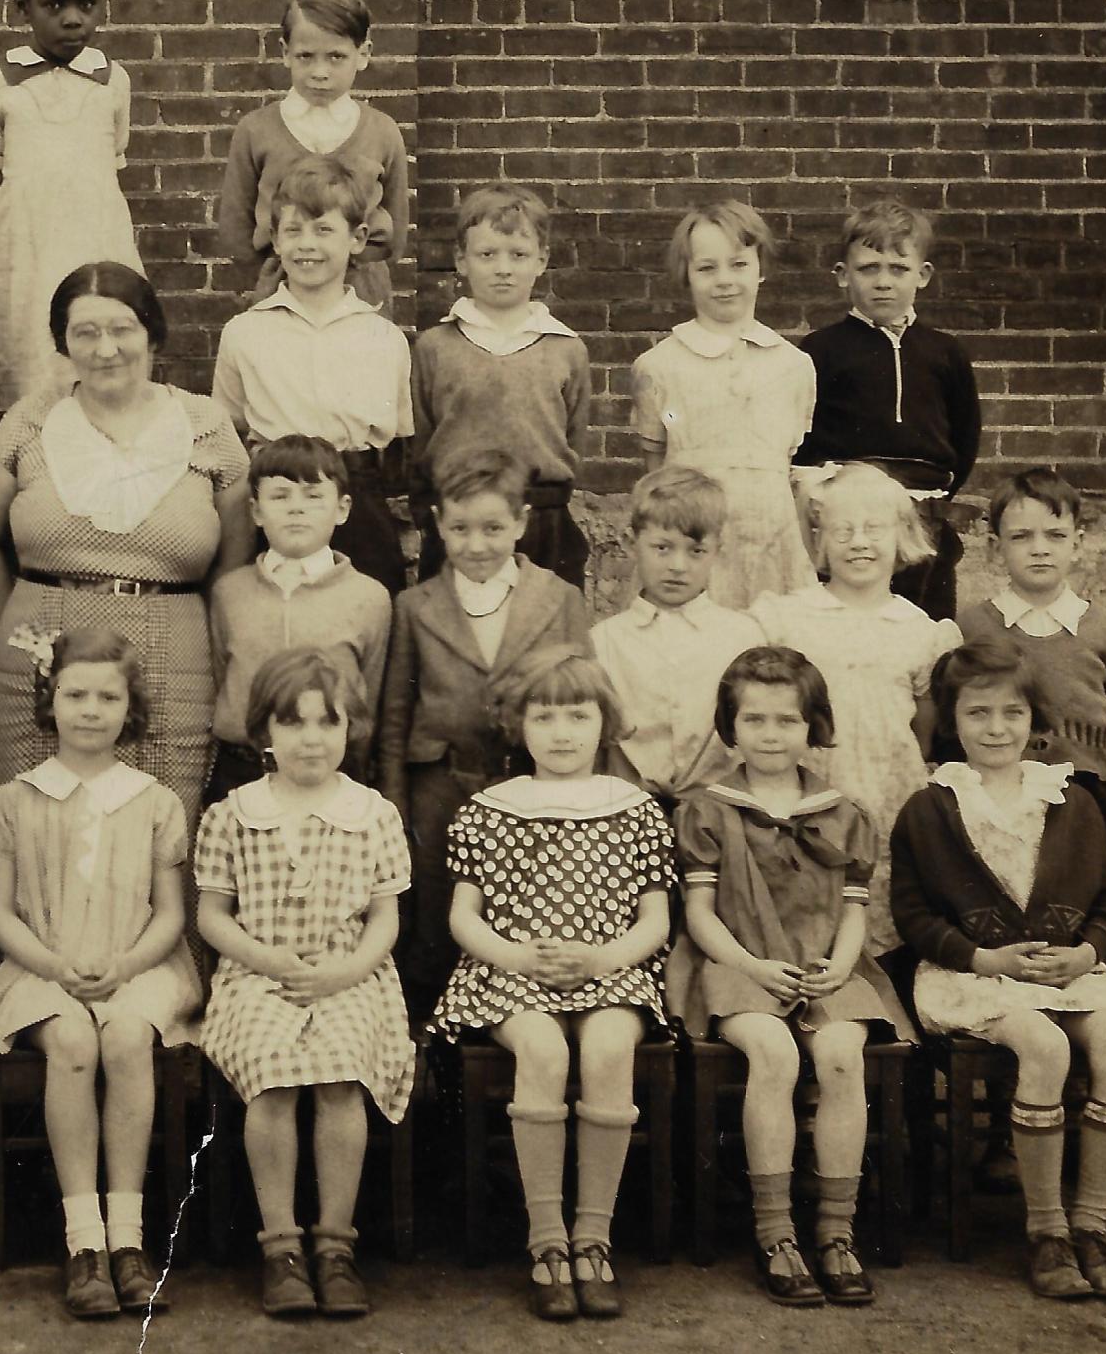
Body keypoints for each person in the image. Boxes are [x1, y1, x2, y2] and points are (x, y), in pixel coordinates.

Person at [0, 262, 253, 976]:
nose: (105, 348)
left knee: (159, 828)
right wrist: (26, 624)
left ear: (151, 332)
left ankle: (156, 1000)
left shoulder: (205, 425)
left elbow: (234, 563)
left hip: (172, 648)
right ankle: (21, 1000)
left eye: (121, 328)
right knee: (28, 821)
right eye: (83, 332)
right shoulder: (30, 421)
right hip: (40, 648)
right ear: (63, 343)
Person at [0, 629, 200, 1319]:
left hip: (138, 963)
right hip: (42, 963)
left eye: (108, 697)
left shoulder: (153, 800)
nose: (91, 710)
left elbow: (171, 915)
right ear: (49, 700)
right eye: (76, 694)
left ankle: (128, 1239)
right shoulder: (17, 798)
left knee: (123, 1037)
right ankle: (82, 1244)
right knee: (72, 1043)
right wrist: (55, 964)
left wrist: (123, 965)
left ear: (131, 707)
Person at [893, 639, 1106, 1301]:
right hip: (973, 975)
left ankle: (1093, 1227)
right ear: (953, 722)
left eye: (1012, 713)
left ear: (1036, 721)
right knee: (1043, 1044)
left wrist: (1086, 952)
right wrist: (983, 958)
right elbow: (914, 915)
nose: (997, 728)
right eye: (979, 714)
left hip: (1067, 970)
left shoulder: (1073, 801)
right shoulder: (931, 808)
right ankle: (1047, 1232)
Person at [429, 650, 673, 1322]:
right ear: (517, 723)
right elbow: (462, 917)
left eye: (578, 714)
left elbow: (655, 920)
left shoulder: (636, 809)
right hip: (510, 972)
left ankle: (594, 1238)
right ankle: (546, 1242)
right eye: (544, 716)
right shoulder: (489, 809)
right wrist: (517, 957)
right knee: (542, 1051)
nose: (562, 731)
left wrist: (603, 959)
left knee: (605, 1052)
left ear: (605, 722)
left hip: (612, 968)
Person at [667, 647, 912, 1308]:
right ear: (730, 726)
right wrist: (750, 965)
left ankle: (836, 1230)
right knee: (773, 1055)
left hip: (824, 964)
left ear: (812, 727)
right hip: (736, 962)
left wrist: (837, 964)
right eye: (754, 720)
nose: (771, 735)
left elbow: (857, 913)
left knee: (838, 1056)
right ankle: (775, 1232)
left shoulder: (845, 812)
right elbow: (698, 916)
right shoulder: (707, 810)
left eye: (786, 721)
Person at [196, 648, 414, 1320]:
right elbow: (211, 916)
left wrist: (346, 971)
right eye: (293, 724)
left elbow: (384, 919)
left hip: (351, 974)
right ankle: (281, 1246)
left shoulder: (372, 812)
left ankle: (336, 1245)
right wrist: (267, 961)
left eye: (328, 722)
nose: (312, 739)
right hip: (258, 976)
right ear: (265, 731)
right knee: (274, 1074)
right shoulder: (233, 813)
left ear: (351, 728)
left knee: (341, 1072)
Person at [377, 447, 591, 1024]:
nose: (477, 545)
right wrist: (396, 810)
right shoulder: (415, 606)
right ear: (439, 526)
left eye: (494, 528)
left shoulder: (559, 600)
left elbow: (582, 696)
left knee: (523, 912)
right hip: (439, 784)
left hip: (529, 782)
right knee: (434, 914)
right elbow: (394, 717)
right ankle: (429, 1041)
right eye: (461, 529)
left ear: (521, 523)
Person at [753, 463, 963, 962]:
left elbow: (924, 724)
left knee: (882, 904)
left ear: (902, 537)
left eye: (874, 529)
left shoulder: (919, 629)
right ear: (821, 542)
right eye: (843, 531)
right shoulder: (790, 616)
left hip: (886, 787)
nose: (858, 543)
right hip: (813, 786)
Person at [210, 153, 415, 594]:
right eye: (293, 230)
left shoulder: (384, 338)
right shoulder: (245, 333)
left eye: (324, 230)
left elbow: (396, 439)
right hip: (279, 499)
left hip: (358, 501)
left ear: (357, 238)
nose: (308, 245)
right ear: (276, 241)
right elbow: (229, 430)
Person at [0, 0, 143, 409]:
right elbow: (2, 167)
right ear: (22, 8)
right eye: (54, 4)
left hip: (95, 232)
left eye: (87, 4)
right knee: (26, 339)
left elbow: (111, 165)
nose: (73, 19)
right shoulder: (0, 79)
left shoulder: (112, 80)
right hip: (25, 239)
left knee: (98, 328)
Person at [794, 198, 982, 620]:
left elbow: (965, 436)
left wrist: (936, 495)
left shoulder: (944, 352)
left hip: (922, 512)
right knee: (844, 619)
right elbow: (802, 438)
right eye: (868, 268)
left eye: (898, 269)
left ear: (923, 275)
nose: (884, 282)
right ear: (843, 276)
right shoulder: (820, 350)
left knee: (926, 624)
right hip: (848, 514)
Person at [956, 468, 1106, 875]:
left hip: (1085, 796)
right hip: (992, 794)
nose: (1039, 549)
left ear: (1077, 544)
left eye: (1055, 536)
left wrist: (1098, 782)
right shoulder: (970, 629)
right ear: (994, 548)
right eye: (1021, 537)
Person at [629, 199, 817, 609]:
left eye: (738, 264)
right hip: (694, 546)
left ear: (760, 268)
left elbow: (784, 460)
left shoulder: (793, 366)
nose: (724, 281)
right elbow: (657, 468)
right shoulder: (660, 366)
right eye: (707, 268)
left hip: (773, 545)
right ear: (687, 276)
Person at [409, 184, 590, 586]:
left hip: (542, 517)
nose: (503, 268)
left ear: (541, 260)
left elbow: (573, 439)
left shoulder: (566, 349)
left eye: (518, 255)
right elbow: (423, 439)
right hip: (460, 517)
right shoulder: (436, 347)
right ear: (461, 260)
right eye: (487, 254)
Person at [205, 434, 393, 803]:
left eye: (313, 496)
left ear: (342, 508)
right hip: (243, 770)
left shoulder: (370, 598)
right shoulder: (230, 593)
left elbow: (368, 694)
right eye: (279, 496)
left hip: (332, 769)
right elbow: (219, 676)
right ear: (256, 511)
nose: (296, 508)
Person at [214, 0, 410, 308]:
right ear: (285, 53)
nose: (320, 72)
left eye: (336, 57)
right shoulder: (255, 130)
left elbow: (395, 233)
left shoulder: (382, 132)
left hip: (361, 298)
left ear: (362, 55)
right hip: (282, 292)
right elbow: (236, 229)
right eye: (306, 56)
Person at [589, 467, 763, 801]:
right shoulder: (604, 641)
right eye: (662, 548)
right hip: (626, 811)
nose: (678, 566)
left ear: (718, 550)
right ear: (630, 542)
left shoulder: (742, 638)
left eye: (695, 551)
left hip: (719, 812)